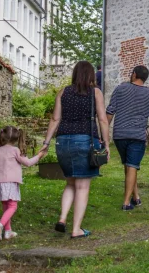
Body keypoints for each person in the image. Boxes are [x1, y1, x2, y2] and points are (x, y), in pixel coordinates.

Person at [41, 61, 110, 239]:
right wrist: (107, 145)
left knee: (70, 183)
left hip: (63, 142)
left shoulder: (63, 92)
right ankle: (76, 229)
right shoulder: (95, 92)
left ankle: (63, 219)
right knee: (82, 186)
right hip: (85, 141)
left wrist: (47, 142)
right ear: (91, 75)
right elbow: (103, 120)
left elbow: (55, 119)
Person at [107, 65, 149, 210]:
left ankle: (136, 197)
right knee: (132, 166)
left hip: (119, 135)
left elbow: (110, 111)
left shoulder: (120, 89)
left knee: (129, 165)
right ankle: (126, 203)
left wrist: (103, 131)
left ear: (134, 74)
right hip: (137, 136)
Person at [0, 126, 46, 242]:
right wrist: (39, 155)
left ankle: (8, 232)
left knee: (6, 206)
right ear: (16, 139)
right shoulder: (15, 150)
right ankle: (0, 225)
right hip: (10, 182)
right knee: (12, 206)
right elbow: (28, 163)